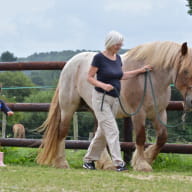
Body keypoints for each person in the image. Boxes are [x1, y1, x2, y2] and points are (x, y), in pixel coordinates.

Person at [83, 30, 152, 171]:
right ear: (110, 43)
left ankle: (88, 160)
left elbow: (121, 75)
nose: (119, 47)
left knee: (102, 132)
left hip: (114, 99)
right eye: (117, 44)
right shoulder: (99, 58)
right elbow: (89, 77)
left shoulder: (118, 58)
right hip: (101, 99)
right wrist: (103, 85)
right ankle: (118, 163)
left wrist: (140, 71)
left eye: (120, 45)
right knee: (113, 130)